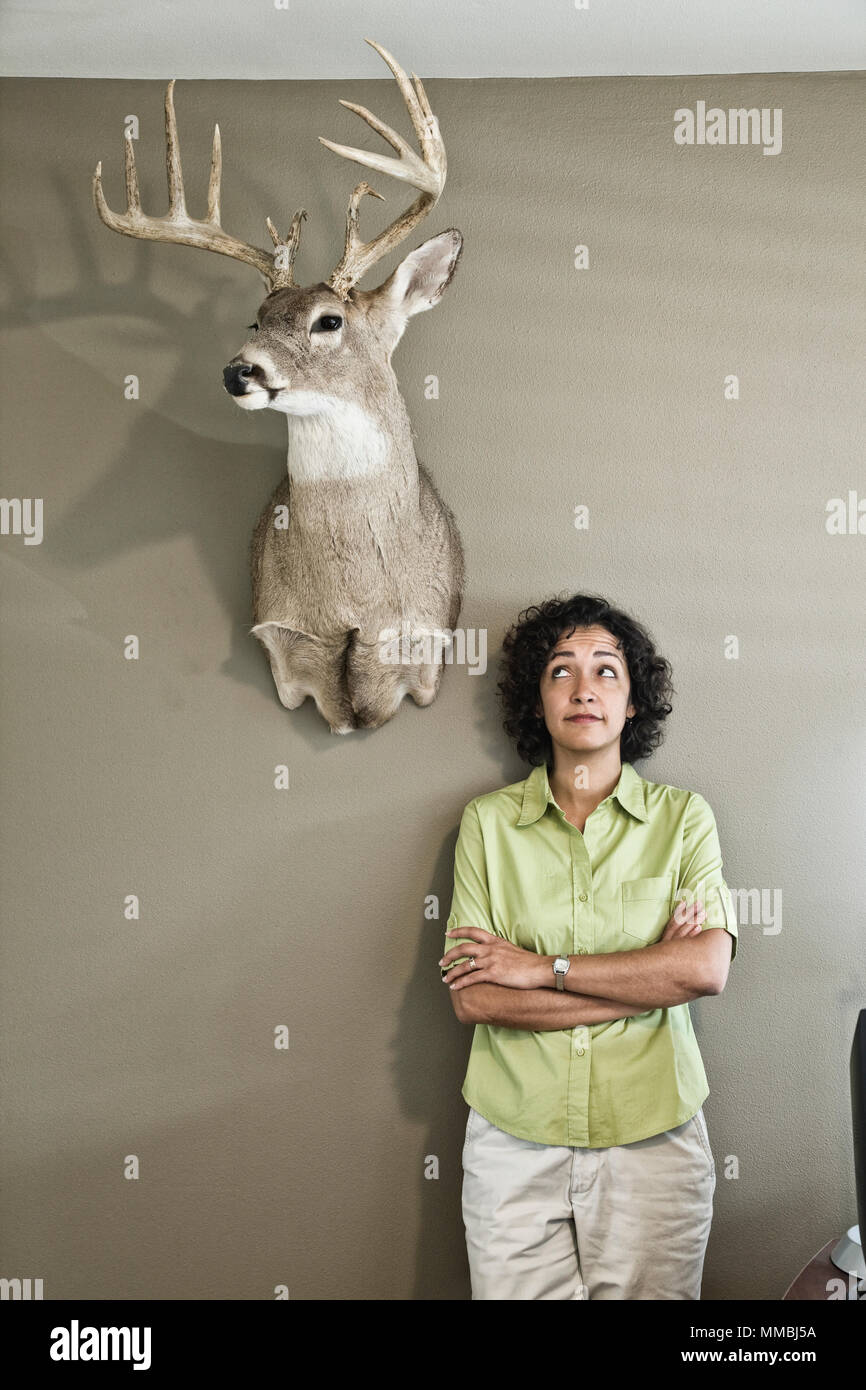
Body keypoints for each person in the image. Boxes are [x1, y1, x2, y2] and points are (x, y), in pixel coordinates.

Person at [440, 593, 738, 1300]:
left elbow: (704, 968)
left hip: (654, 1139)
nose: (583, 689)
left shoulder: (684, 819)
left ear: (633, 702)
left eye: (606, 671)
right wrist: (642, 986)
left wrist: (540, 971)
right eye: (560, 671)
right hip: (513, 1143)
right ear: (535, 700)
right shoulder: (485, 826)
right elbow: (475, 997)